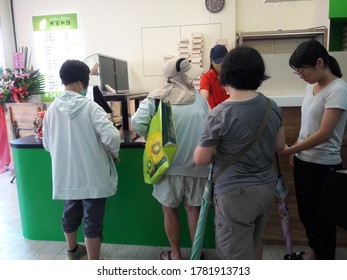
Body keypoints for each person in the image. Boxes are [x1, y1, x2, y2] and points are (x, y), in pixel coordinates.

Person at [194, 46, 286, 260]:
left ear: (226, 75)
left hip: (235, 194)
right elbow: (279, 146)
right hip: (266, 188)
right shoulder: (272, 107)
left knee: (234, 254)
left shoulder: (219, 114)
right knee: (255, 242)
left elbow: (200, 159)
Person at [131, 57, 209, 260]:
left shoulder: (156, 98)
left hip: (166, 166)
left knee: (170, 211)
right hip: (196, 166)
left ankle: (175, 255)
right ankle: (196, 255)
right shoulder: (200, 99)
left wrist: (153, 137)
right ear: (182, 77)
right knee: (193, 211)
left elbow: (136, 123)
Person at [43, 59, 121, 260]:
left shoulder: (51, 110)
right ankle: (94, 262)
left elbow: (47, 144)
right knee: (92, 220)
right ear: (80, 82)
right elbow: (112, 137)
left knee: (70, 215)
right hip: (93, 174)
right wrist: (113, 153)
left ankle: (72, 251)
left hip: (67, 174)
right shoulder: (91, 108)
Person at [279, 40, 347, 260]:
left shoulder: (338, 89)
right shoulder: (311, 86)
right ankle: (313, 253)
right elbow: (307, 124)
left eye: (302, 71)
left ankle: (325, 261)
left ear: (319, 63)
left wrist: (294, 148)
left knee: (322, 219)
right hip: (304, 161)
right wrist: (297, 153)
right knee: (306, 214)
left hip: (324, 166)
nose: (302, 76)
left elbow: (325, 132)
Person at [200, 44, 229, 110]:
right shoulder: (207, 77)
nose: (221, 66)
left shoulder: (232, 76)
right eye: (218, 64)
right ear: (211, 61)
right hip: (214, 113)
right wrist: (212, 115)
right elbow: (203, 100)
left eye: (224, 62)